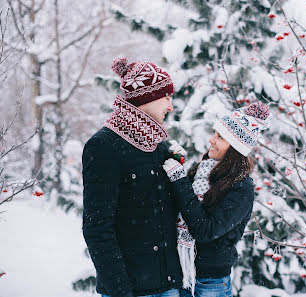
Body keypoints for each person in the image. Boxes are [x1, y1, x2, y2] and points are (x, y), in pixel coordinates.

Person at [82, 57, 185, 297]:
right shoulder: (104, 146)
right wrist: (121, 291)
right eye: (167, 97)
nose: (170, 106)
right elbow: (97, 228)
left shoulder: (159, 147)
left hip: (169, 286)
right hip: (132, 290)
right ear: (146, 97)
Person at [162, 102, 270, 297]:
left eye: (220, 137)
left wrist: (180, 181)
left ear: (235, 147)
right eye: (214, 133)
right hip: (182, 274)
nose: (211, 140)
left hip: (210, 282)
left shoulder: (241, 188)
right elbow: (181, 205)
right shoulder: (204, 170)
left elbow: (205, 230)